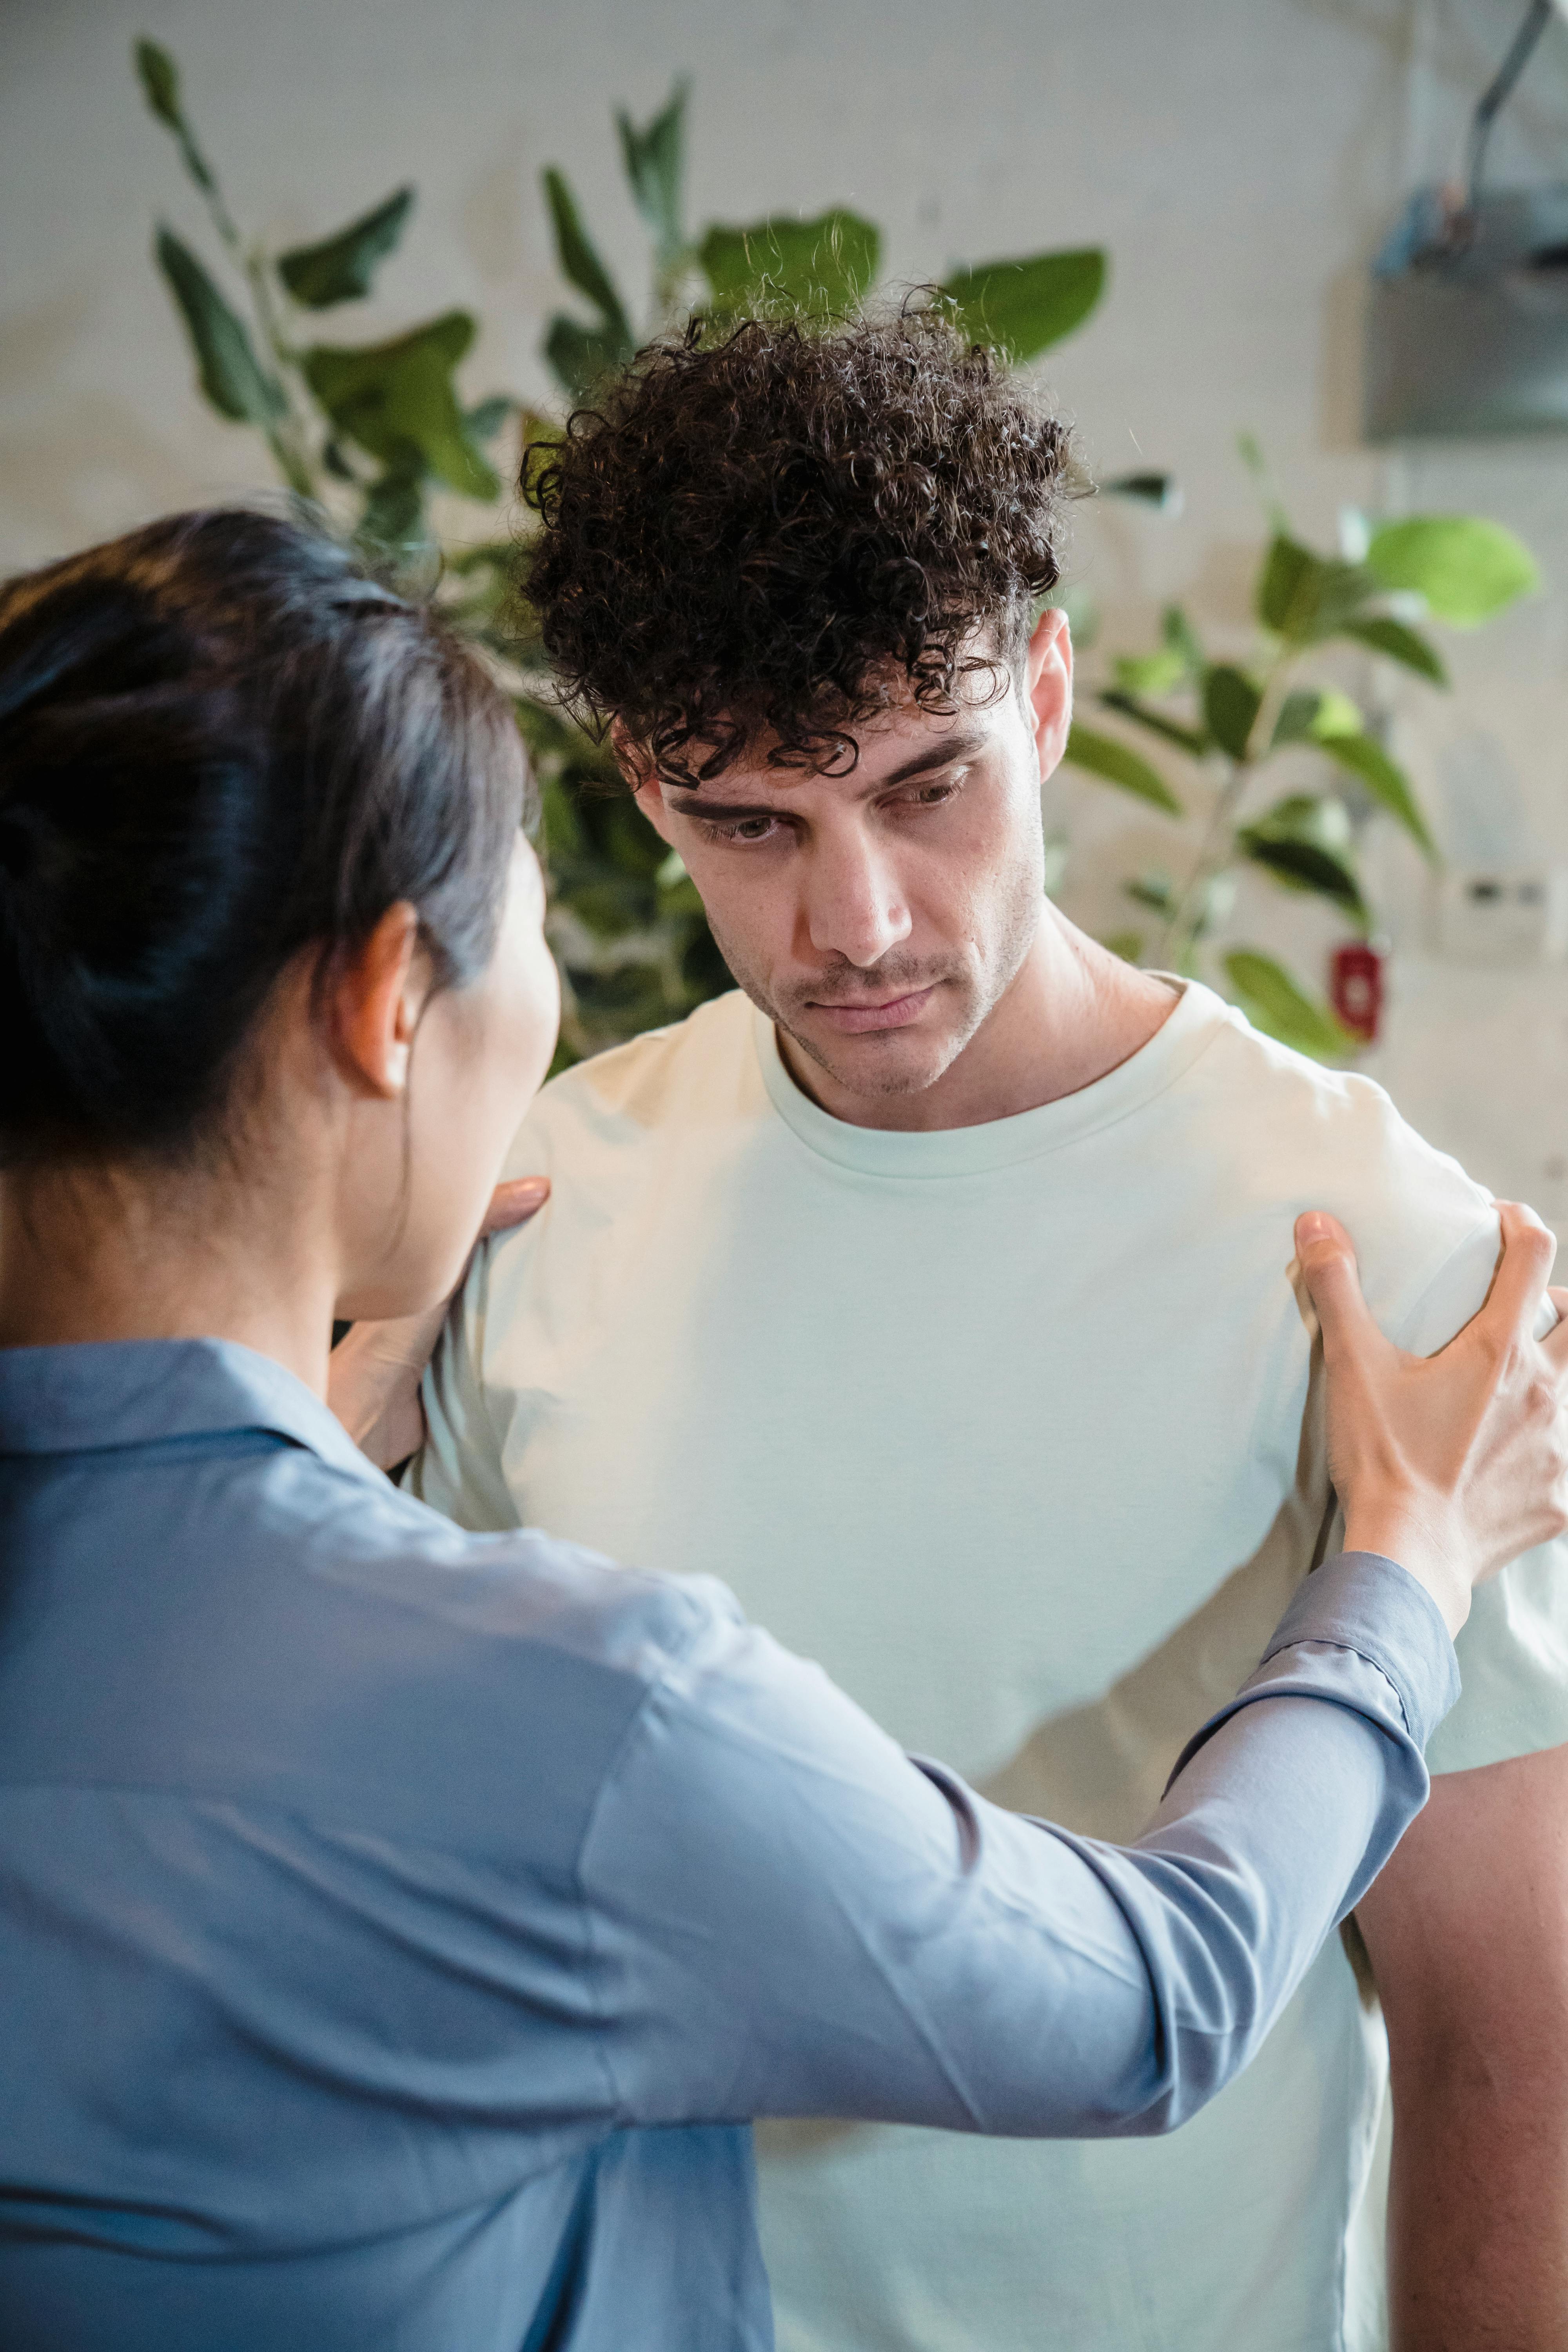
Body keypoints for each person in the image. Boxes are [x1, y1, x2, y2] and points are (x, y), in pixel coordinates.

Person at [2, 515, 1565, 2352]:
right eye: (748, 820)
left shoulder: (1388, 1261)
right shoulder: (539, 1218)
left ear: (1045, 696)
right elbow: (1156, 2007)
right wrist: (1402, 1567)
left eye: (929, 787)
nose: (860, 923)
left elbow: (1510, 2036)